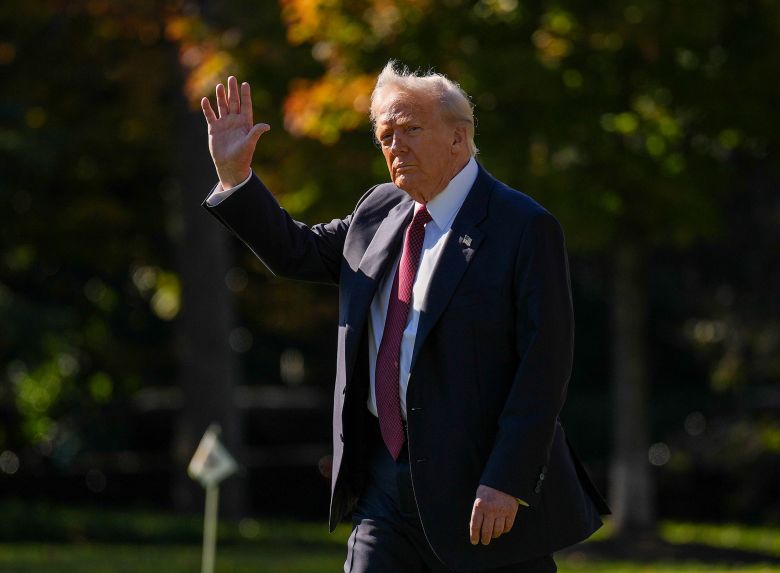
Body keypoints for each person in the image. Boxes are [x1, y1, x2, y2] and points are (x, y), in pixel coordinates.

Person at [200, 62, 610, 573]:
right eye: (385, 134)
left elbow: (543, 368)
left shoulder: (523, 227)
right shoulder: (379, 211)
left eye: (411, 129)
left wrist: (508, 479)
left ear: (459, 139)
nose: (395, 145)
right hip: (384, 486)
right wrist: (235, 177)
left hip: (480, 488)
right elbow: (296, 252)